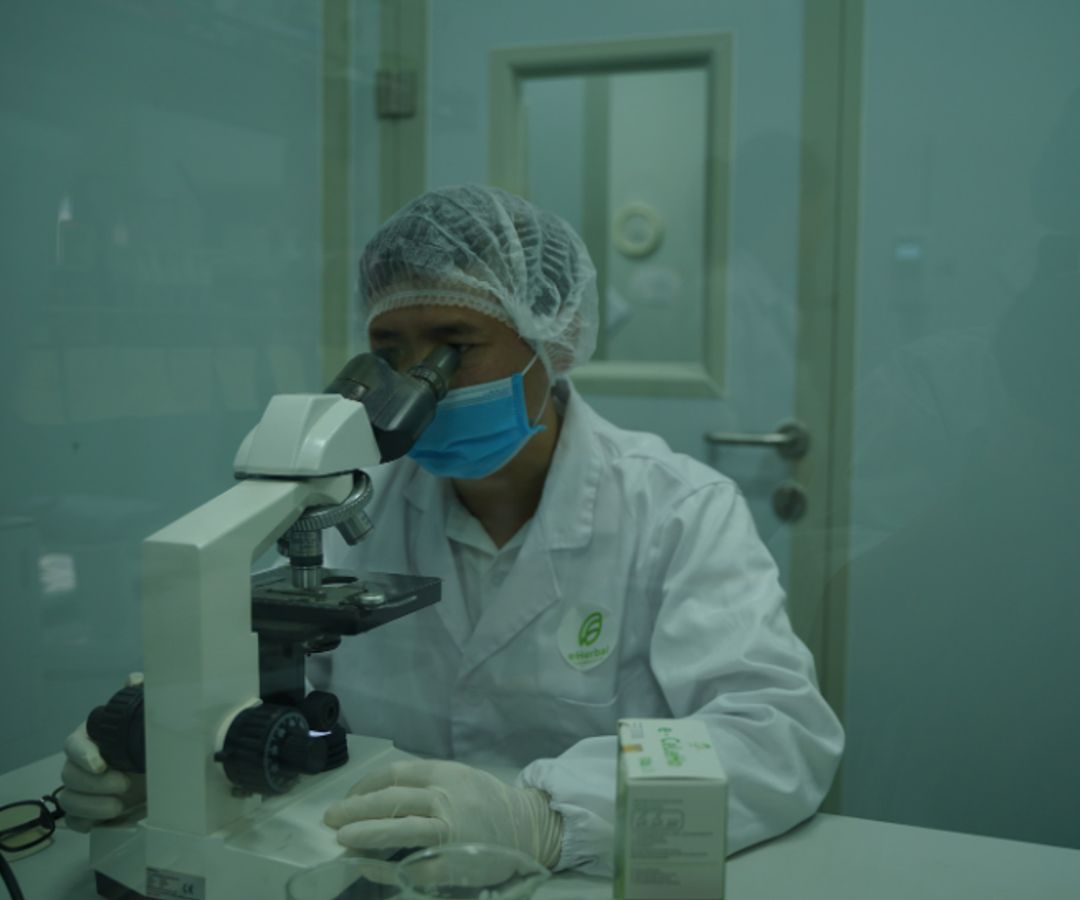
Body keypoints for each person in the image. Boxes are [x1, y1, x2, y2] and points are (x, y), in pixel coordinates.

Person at [56, 185, 844, 874]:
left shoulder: (676, 509)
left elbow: (779, 738)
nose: (414, 385)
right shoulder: (350, 503)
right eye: (388, 353)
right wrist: (167, 750)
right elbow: (269, 687)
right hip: (373, 861)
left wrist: (548, 817)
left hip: (588, 872)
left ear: (552, 342)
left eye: (455, 348)